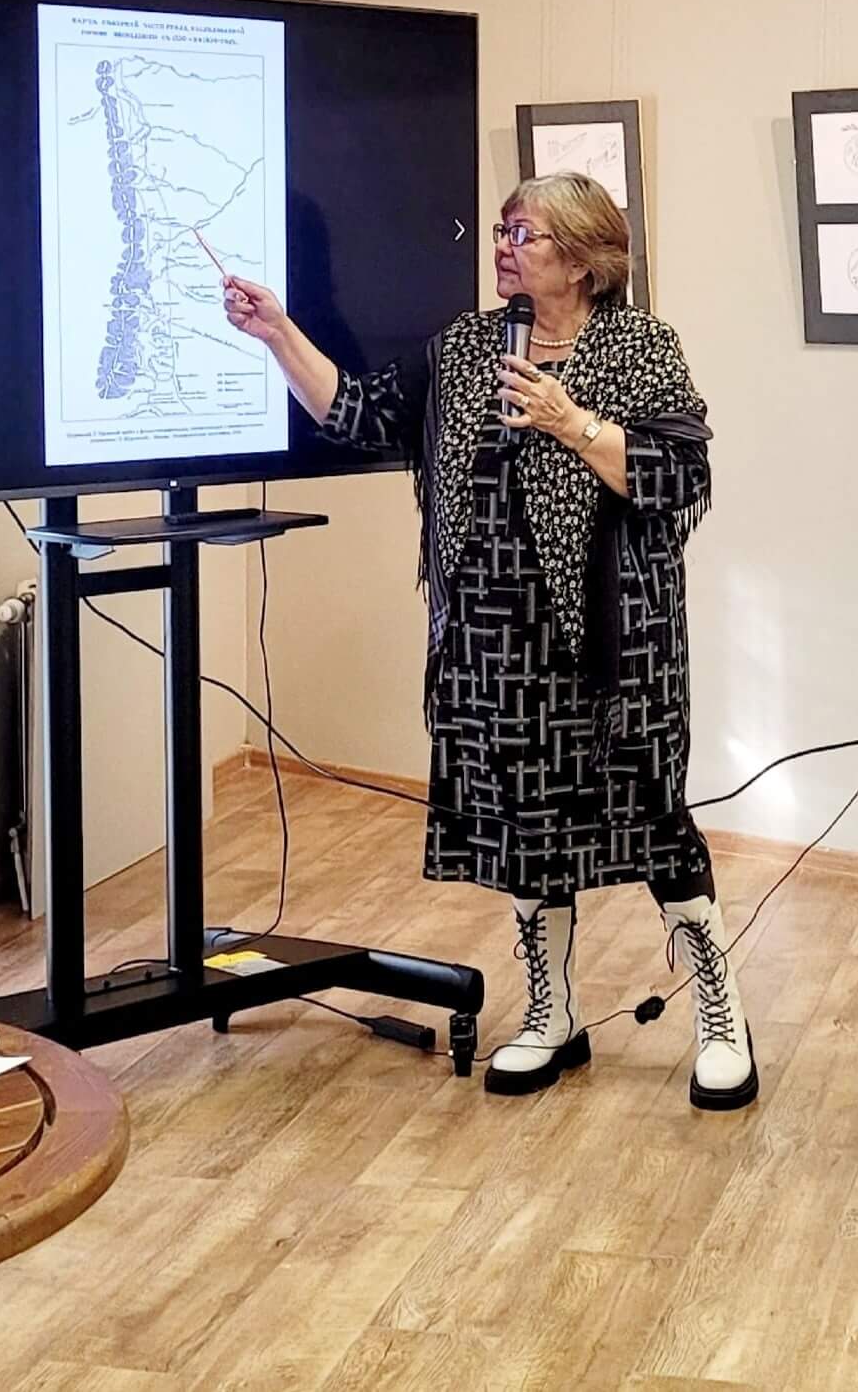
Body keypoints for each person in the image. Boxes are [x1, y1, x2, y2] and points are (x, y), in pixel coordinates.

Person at [222, 172, 752, 1109]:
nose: (503, 247)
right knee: (523, 831)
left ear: (582, 261)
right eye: (503, 230)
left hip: (612, 647)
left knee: (652, 821)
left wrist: (570, 422)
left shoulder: (639, 346)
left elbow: (678, 471)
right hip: (489, 648)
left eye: (524, 234)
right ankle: (552, 1011)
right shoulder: (465, 345)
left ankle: (720, 1013)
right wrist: (277, 333)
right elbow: (358, 413)